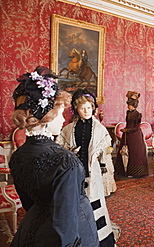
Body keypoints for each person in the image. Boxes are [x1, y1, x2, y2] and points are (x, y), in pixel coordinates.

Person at [9, 66, 99, 247]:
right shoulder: (65, 162)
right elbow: (66, 227)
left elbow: (29, 202)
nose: (62, 120)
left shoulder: (18, 156)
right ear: (47, 117)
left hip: (34, 225)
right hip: (74, 231)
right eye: (60, 114)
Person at [56, 89, 116, 246]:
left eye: (89, 108)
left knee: (95, 201)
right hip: (75, 171)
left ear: (93, 108)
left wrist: (102, 164)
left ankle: (100, 235)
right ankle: (78, 233)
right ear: (76, 109)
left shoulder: (99, 129)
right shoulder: (69, 129)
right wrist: (70, 152)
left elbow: (105, 149)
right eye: (83, 108)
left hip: (92, 171)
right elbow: (60, 146)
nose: (86, 111)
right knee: (75, 201)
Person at [114, 91, 149, 177]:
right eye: (128, 104)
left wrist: (127, 130)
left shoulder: (137, 115)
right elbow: (128, 123)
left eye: (129, 105)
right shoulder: (128, 112)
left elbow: (137, 127)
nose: (128, 106)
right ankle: (122, 170)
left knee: (134, 153)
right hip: (127, 135)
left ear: (133, 105)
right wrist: (125, 130)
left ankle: (134, 172)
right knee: (123, 151)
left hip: (135, 136)